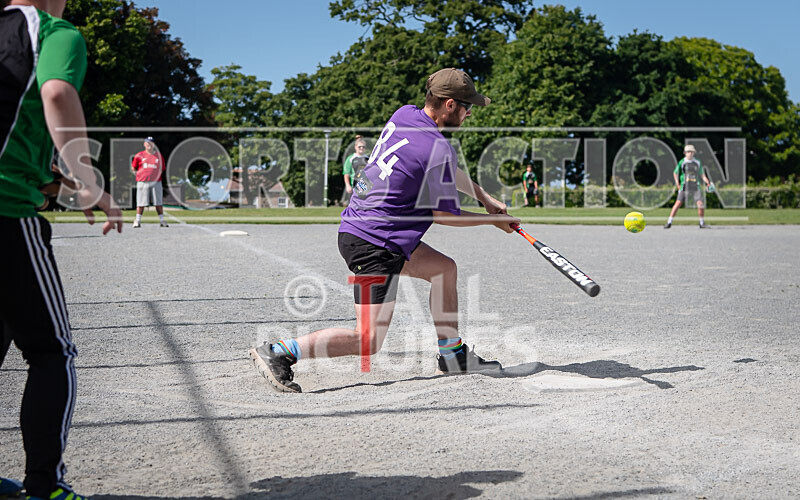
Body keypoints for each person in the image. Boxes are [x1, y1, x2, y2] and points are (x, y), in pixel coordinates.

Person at [250, 68, 520, 393]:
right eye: (467, 105)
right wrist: (492, 221)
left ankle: (452, 355)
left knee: (444, 270)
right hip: (375, 244)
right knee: (367, 340)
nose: (470, 111)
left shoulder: (405, 115)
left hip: (369, 227)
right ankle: (279, 352)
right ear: (450, 105)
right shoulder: (436, 147)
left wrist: (485, 198)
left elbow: (446, 169)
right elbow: (443, 215)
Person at [1, 1, 123, 499]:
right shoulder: (54, 31)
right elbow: (56, 91)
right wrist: (88, 179)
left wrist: (51, 181)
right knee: (52, 352)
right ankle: (44, 486)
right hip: (7, 215)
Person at [664, 144, 712, 229]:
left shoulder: (697, 162)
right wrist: (677, 183)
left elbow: (702, 174)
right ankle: (669, 222)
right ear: (685, 153)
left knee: (700, 204)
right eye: (688, 152)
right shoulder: (682, 162)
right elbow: (675, 172)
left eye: (691, 152)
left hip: (695, 186)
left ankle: (702, 223)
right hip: (684, 186)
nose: (690, 153)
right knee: (678, 203)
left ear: (694, 153)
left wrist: (707, 182)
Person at [131, 137, 167, 228]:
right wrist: (139, 175)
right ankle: (137, 221)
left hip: (156, 182)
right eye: (147, 143)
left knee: (158, 202)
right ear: (144, 144)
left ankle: (162, 221)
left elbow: (162, 169)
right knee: (140, 203)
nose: (149, 145)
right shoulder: (139, 155)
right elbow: (133, 168)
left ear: (153, 144)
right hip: (143, 182)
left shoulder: (158, 156)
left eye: (151, 143)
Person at [342, 135, 369, 206]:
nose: (361, 148)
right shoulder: (350, 159)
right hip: (354, 186)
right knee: (354, 207)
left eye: (363, 147)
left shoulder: (368, 158)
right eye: (359, 147)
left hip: (366, 186)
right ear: (355, 147)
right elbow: (346, 173)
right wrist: (348, 185)